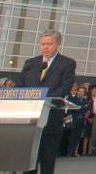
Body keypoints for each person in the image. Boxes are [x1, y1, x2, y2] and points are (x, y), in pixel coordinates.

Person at [18, 29, 77, 174]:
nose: (45, 47)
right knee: (28, 164)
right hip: (29, 119)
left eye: (49, 44)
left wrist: (42, 100)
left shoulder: (67, 63)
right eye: (42, 44)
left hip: (50, 119)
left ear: (58, 44)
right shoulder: (31, 63)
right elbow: (19, 86)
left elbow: (64, 88)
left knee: (47, 163)